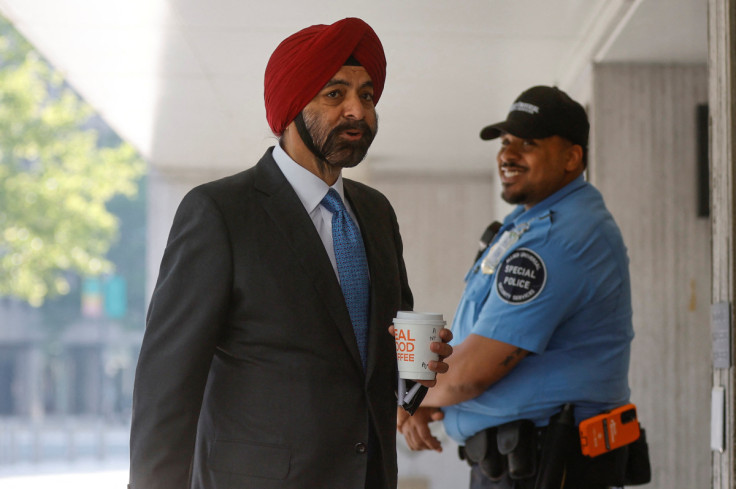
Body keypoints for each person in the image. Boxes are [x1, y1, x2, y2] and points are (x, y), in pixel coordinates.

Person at [128, 17, 452, 489]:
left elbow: (385, 351)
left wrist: (414, 375)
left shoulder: (376, 213)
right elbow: (167, 385)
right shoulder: (219, 212)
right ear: (291, 105)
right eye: (335, 94)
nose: (357, 111)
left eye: (366, 95)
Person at [397, 86, 636, 489]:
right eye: (505, 142)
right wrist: (418, 398)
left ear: (572, 157)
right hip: (520, 463)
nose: (507, 155)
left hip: (546, 465)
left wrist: (406, 398)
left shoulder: (560, 237)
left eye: (529, 143)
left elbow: (469, 374)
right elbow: (467, 357)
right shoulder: (527, 224)